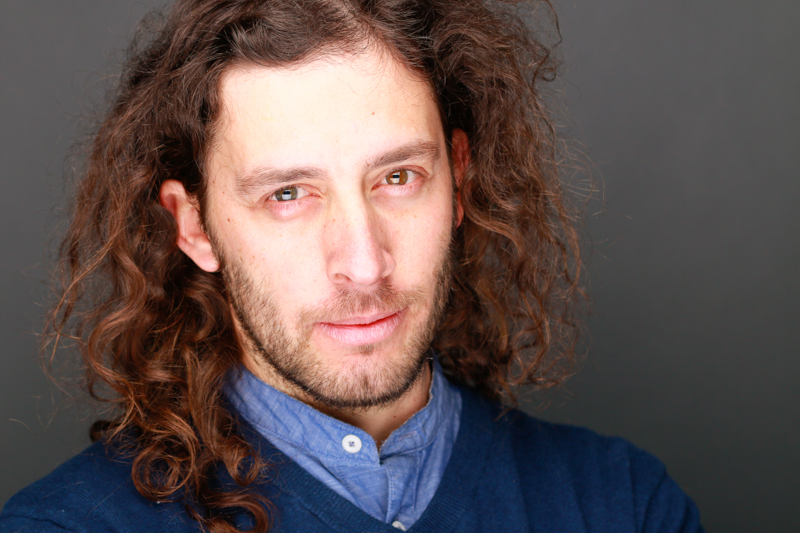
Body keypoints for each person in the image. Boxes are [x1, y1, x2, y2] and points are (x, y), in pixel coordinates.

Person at [0, 0, 703, 532]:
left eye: (398, 177)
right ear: (195, 226)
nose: (365, 266)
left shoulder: (623, 505)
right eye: (287, 194)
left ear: (458, 179)